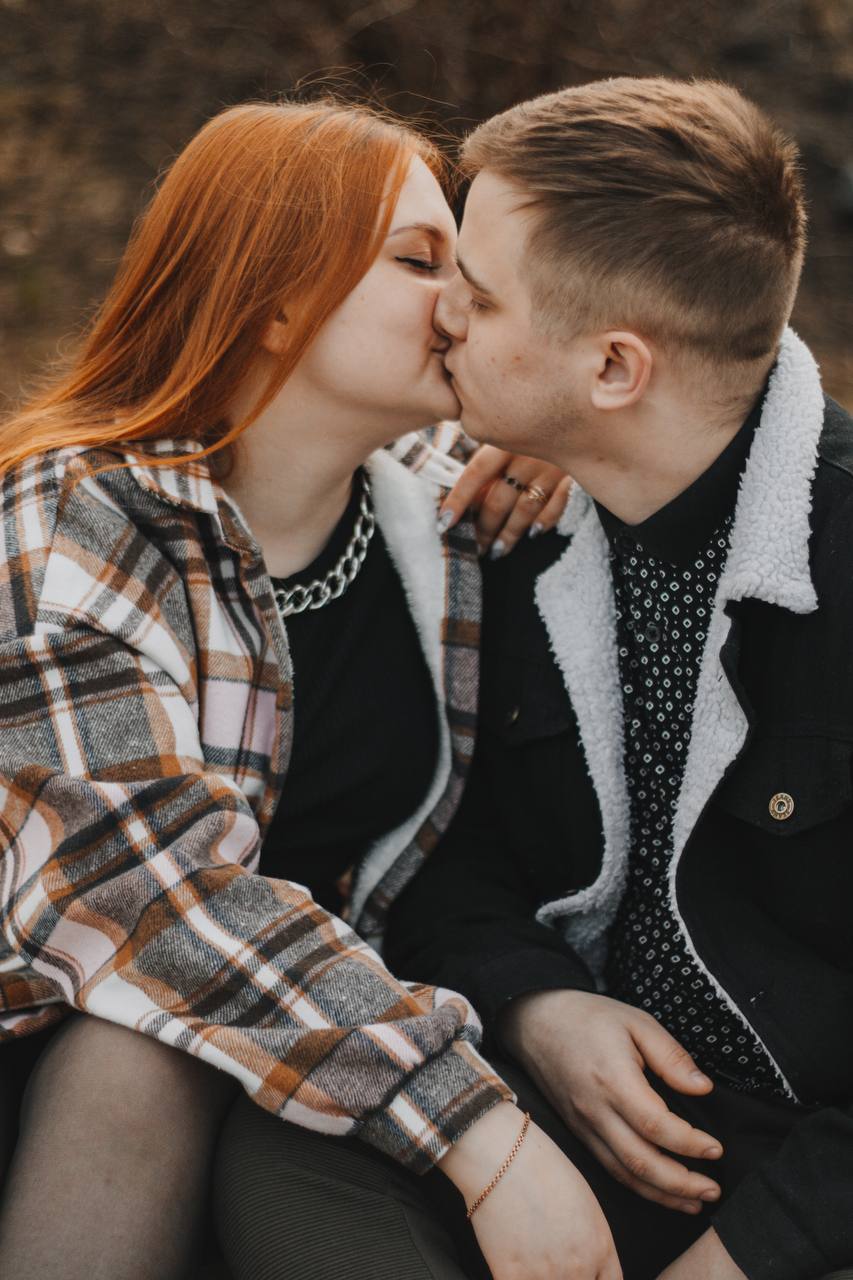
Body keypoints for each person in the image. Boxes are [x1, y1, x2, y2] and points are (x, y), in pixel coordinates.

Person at [0, 95, 605, 1280]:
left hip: (319, 1044)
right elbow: (154, 899)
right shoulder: (73, 518)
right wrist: (478, 1129)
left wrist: (560, 432)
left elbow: (686, 398)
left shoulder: (446, 507)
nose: (465, 303)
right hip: (69, 1046)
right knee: (145, 1046)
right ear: (275, 299)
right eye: (421, 262)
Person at [384, 76, 853, 1280]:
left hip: (810, 1182)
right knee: (274, 1152)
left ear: (612, 368)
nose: (441, 313)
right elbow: (447, 851)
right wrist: (537, 1003)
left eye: (480, 294)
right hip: (573, 1110)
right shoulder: (520, 512)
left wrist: (743, 1258)